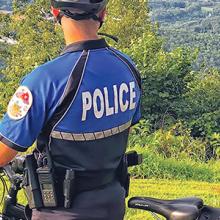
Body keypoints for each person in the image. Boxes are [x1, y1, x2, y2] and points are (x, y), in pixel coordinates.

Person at [0, 0, 142, 219]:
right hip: (112, 202)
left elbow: (4, 152)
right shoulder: (127, 67)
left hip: (60, 211)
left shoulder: (44, 80)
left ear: (55, 12)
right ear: (103, 14)